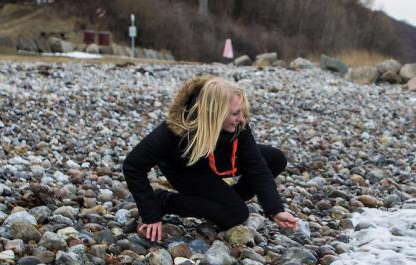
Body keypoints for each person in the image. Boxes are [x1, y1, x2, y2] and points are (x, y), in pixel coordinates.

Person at [122, 75, 299, 242]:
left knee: (275, 159)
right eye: (235, 113)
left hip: (220, 159)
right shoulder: (175, 130)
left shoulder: (238, 125)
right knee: (236, 215)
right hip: (189, 171)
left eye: (242, 112)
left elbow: (257, 167)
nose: (242, 118)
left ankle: (222, 202)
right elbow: (133, 166)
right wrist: (150, 213)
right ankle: (164, 200)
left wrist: (275, 209)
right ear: (216, 113)